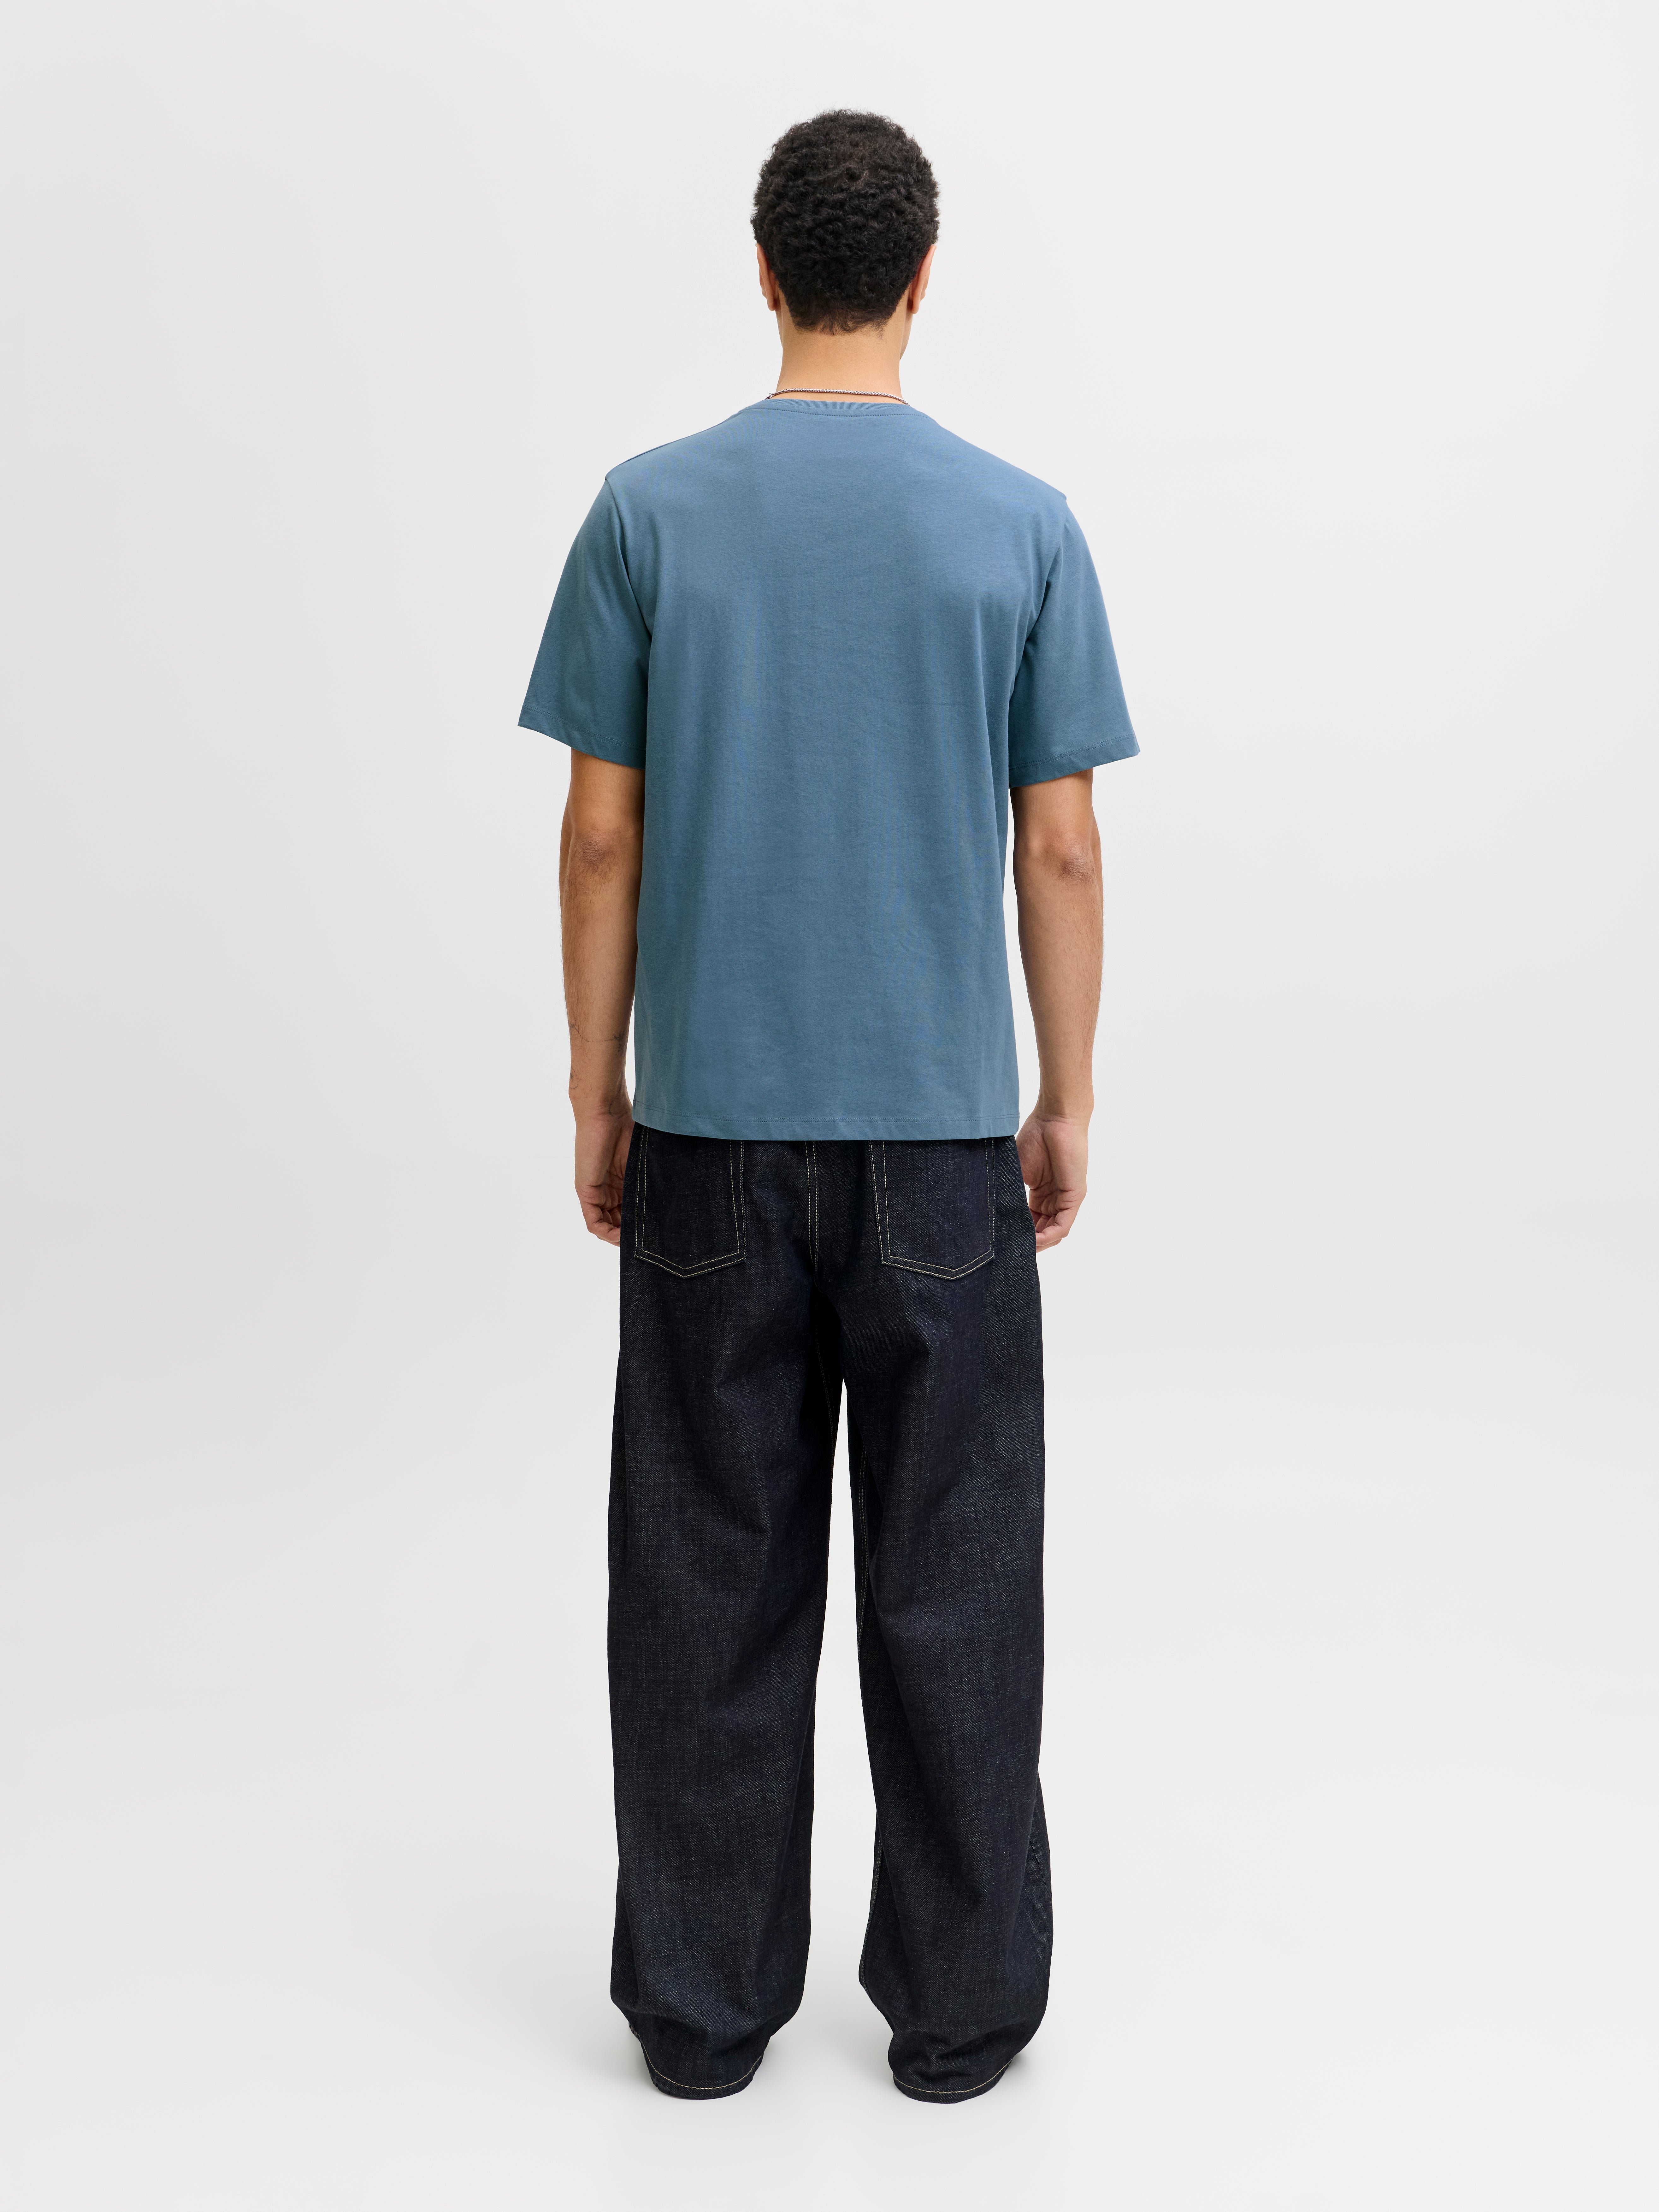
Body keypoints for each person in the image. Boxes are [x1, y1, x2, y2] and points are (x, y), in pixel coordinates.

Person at [519, 109, 1137, 2104]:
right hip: (944, 1145)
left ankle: (703, 2012)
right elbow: (1062, 847)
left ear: (768, 273)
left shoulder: (647, 512)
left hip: (710, 1134)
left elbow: (599, 836)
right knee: (957, 1579)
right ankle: (961, 2015)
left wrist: (599, 1086)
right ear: (924, 280)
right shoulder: (1020, 523)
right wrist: (1065, 1091)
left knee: (704, 1567)